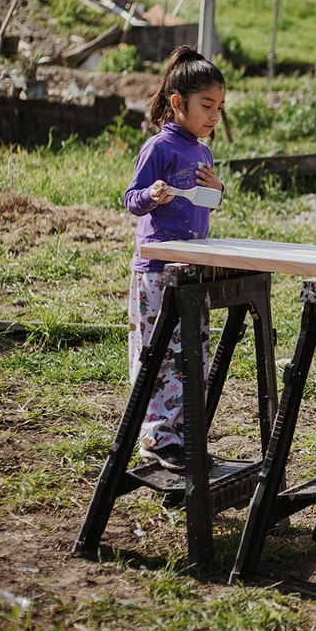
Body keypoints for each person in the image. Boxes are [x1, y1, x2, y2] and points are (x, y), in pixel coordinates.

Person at [123, 45, 226, 471]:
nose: (214, 115)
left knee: (192, 356)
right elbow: (132, 199)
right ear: (178, 103)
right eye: (207, 105)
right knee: (158, 355)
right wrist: (152, 194)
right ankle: (155, 437)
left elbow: (207, 205)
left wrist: (217, 191)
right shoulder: (159, 148)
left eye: (220, 107)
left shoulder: (203, 152)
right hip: (157, 272)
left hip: (191, 269)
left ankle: (183, 436)